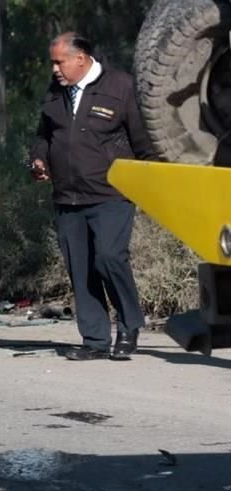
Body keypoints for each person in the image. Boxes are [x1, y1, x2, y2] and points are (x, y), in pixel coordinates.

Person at [29, 32, 154, 361]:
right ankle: (95, 340)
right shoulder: (56, 91)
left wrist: (151, 185)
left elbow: (142, 141)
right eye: (53, 62)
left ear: (81, 58)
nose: (55, 69)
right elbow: (44, 135)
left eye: (60, 62)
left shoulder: (121, 87)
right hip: (67, 197)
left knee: (109, 258)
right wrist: (38, 159)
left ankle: (129, 325)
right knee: (80, 269)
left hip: (111, 193)